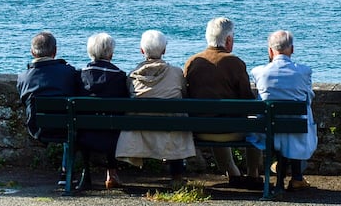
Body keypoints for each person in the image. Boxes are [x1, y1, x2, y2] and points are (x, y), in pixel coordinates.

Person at [183, 17, 262, 189]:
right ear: (228, 40)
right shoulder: (235, 63)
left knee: (213, 118)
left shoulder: (192, 62)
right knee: (255, 124)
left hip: (201, 130)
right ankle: (253, 174)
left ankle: (233, 173)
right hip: (230, 131)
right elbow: (248, 100)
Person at [115, 30, 196, 187]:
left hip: (140, 132)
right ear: (164, 50)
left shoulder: (132, 76)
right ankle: (177, 177)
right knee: (176, 121)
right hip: (172, 130)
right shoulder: (177, 73)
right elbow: (184, 96)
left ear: (141, 51)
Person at [249, 30, 317, 192]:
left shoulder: (259, 72)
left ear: (270, 51)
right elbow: (309, 97)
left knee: (280, 129)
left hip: (267, 130)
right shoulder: (304, 71)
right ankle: (296, 178)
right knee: (297, 124)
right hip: (296, 129)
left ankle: (283, 177)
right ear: (292, 49)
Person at [16, 31, 81, 186]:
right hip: (66, 128)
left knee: (67, 121)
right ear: (55, 51)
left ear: (32, 52)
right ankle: (66, 172)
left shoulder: (23, 77)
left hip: (38, 128)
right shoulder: (69, 73)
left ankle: (65, 172)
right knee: (70, 122)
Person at [76, 32, 129, 190]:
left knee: (85, 121)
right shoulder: (119, 77)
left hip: (83, 135)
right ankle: (112, 172)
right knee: (113, 122)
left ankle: (86, 172)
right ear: (111, 54)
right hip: (113, 136)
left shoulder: (79, 75)